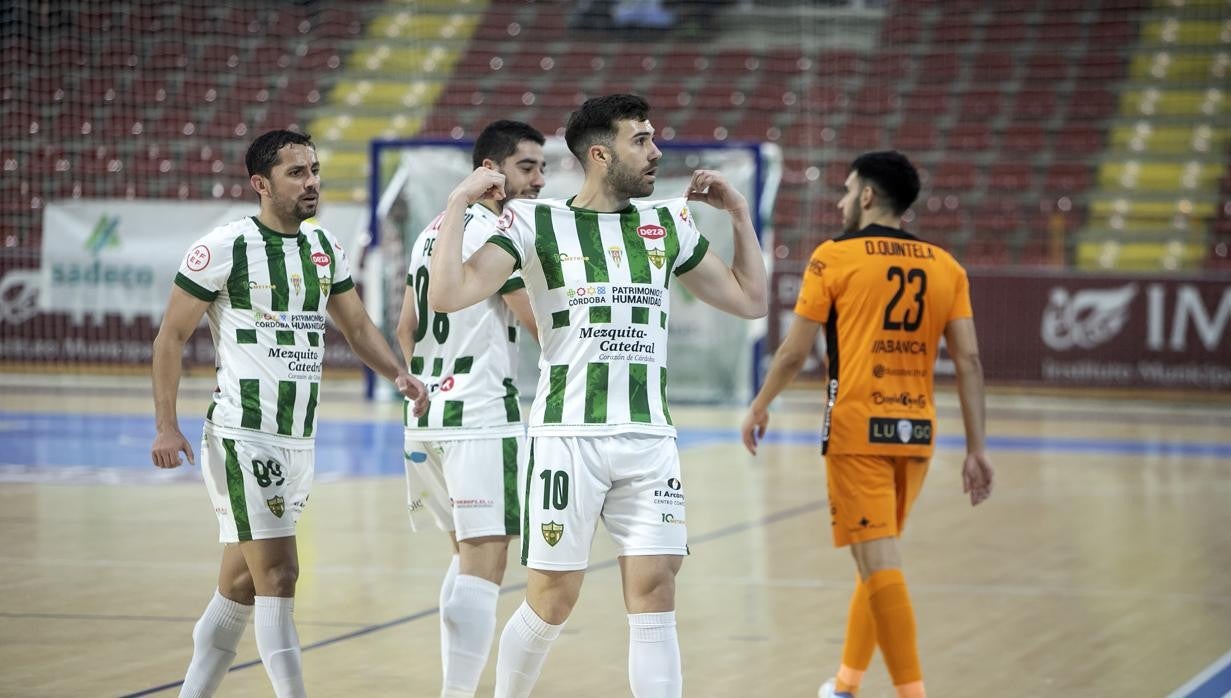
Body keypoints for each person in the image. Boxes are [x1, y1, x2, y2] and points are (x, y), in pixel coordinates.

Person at [428, 94, 768, 697]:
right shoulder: (534, 223)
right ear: (600, 153)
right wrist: (458, 202)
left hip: (649, 439)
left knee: (656, 592)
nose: (657, 151)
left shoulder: (667, 222)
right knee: (553, 599)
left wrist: (739, 214)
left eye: (653, 137)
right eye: (642, 140)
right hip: (567, 438)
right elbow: (447, 294)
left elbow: (750, 299)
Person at [150, 129, 429, 698]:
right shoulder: (224, 247)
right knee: (280, 574)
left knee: (239, 587)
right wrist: (165, 424)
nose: (312, 182)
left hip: (297, 438)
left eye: (315, 170)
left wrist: (397, 372)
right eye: (297, 173)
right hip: (242, 433)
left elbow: (355, 328)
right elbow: (169, 338)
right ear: (261, 184)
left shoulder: (323, 246)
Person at [739, 150, 993, 698]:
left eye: (847, 189)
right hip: (918, 433)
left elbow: (791, 353)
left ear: (869, 196)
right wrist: (977, 448)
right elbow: (969, 361)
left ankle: (911, 693)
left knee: (878, 562)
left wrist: (760, 404)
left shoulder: (833, 257)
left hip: (858, 430)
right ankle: (846, 685)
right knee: (877, 560)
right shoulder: (946, 265)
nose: (841, 200)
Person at [395, 119, 544, 698]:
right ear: (490, 170)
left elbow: (405, 327)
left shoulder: (432, 231)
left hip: (427, 415)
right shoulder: (494, 230)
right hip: (482, 415)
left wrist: (417, 387)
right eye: (526, 167)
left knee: (464, 559)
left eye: (541, 168)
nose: (536, 179)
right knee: (486, 563)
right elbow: (535, 323)